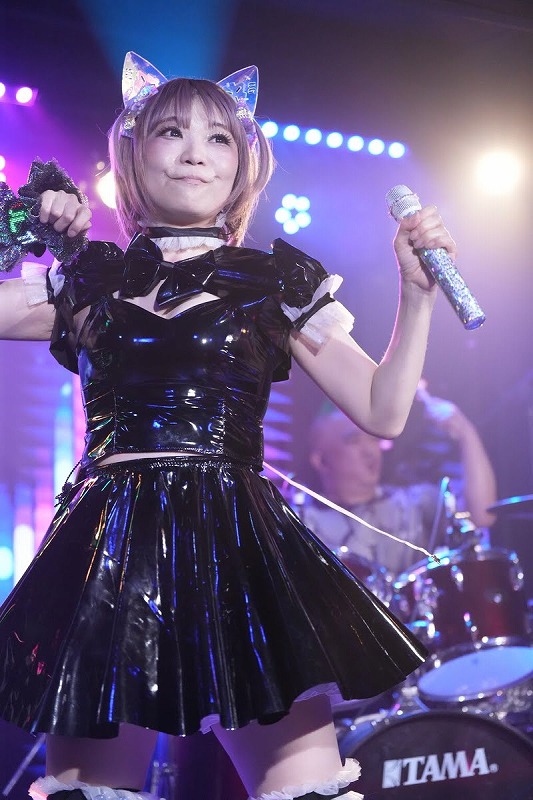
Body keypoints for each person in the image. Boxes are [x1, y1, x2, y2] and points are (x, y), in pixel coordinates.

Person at [0, 51, 459, 800]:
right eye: (171, 132)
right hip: (108, 551)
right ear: (132, 153)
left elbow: (382, 410)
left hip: (237, 543)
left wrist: (417, 296)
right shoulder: (87, 280)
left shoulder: (276, 281)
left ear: (243, 164)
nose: (195, 153)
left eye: (218, 138)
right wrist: (25, 219)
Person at [303, 392, 497, 577]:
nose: (370, 451)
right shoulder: (302, 522)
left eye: (373, 439)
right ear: (321, 461)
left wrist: (466, 433)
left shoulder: (414, 503)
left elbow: (482, 515)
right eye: (354, 440)